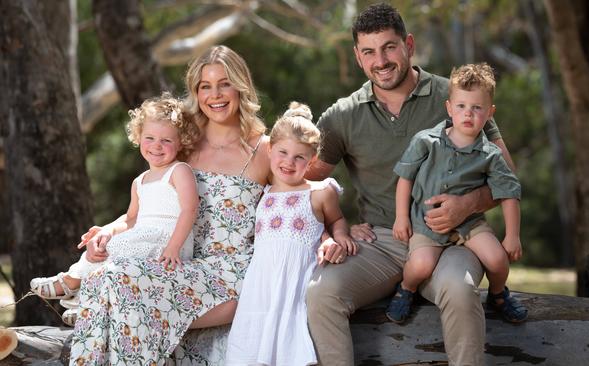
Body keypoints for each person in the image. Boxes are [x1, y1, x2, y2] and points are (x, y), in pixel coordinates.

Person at [304, 4, 515, 365]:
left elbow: (507, 176)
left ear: (409, 45)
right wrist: (335, 227)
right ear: (357, 57)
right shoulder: (342, 116)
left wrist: (467, 205)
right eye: (369, 51)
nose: (380, 60)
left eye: (389, 47)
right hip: (382, 242)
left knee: (461, 290)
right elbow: (299, 181)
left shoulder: (457, 98)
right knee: (322, 294)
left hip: (454, 237)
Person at [69, 45, 281, 365]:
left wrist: (334, 228)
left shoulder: (266, 149)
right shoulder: (182, 144)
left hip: (231, 275)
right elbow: (150, 206)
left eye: (224, 83)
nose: (215, 94)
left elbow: (301, 198)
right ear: (196, 93)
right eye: (205, 86)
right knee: (108, 279)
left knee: (117, 291)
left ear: (241, 86)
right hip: (179, 267)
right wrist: (110, 230)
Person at [29, 92, 199, 324]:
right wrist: (106, 230)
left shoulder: (179, 171)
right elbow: (130, 219)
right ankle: (87, 298)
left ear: (181, 142)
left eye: (166, 140)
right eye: (150, 138)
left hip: (168, 243)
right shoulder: (140, 181)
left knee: (118, 253)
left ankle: (73, 285)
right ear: (138, 137)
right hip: (143, 237)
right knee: (105, 244)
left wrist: (174, 247)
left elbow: (190, 209)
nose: (157, 146)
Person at [387, 63, 527, 324]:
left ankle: (498, 295)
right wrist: (401, 218)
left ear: (489, 113)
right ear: (449, 108)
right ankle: (406, 290)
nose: (468, 114)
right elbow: (405, 178)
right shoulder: (426, 141)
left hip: (469, 223)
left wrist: (513, 236)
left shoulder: (491, 155)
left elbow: (509, 193)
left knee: (497, 260)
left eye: (477, 108)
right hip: (426, 223)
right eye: (461, 106)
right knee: (420, 266)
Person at [226, 102, 356, 366]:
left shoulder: (319, 191)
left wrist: (338, 236)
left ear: (312, 160)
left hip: (295, 282)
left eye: (299, 157)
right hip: (261, 285)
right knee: (252, 348)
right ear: (270, 150)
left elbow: (336, 220)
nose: (289, 162)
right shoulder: (263, 192)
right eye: (282, 152)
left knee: (290, 348)